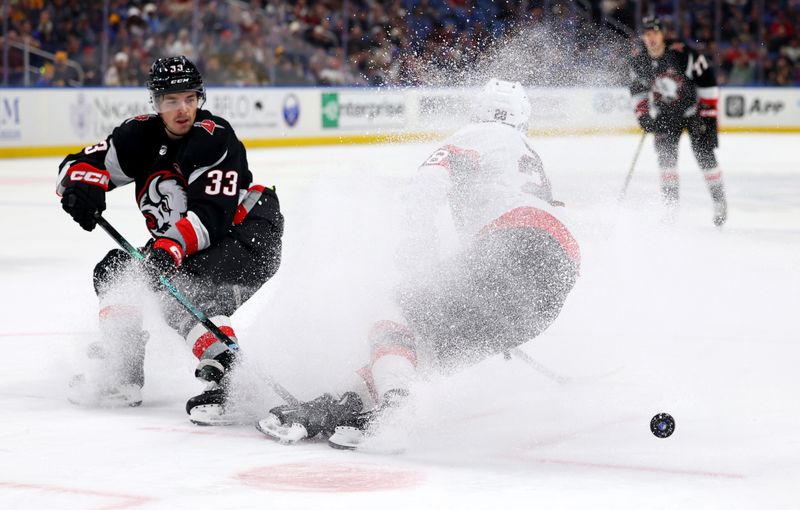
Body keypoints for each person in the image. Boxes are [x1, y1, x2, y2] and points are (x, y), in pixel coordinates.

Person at [257, 79, 580, 450]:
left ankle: (397, 410)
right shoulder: (524, 151)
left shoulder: (477, 132)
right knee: (420, 347)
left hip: (513, 244)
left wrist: (418, 244)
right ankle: (337, 406)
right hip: (557, 272)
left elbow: (427, 183)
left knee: (392, 306)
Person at [56, 56, 284, 425]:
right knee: (117, 270)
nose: (182, 109)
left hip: (249, 233)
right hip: (188, 245)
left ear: (200, 98)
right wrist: (81, 190)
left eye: (190, 98)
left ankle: (230, 378)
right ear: (156, 103)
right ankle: (123, 371)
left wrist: (168, 249)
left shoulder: (213, 138)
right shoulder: (138, 137)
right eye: (171, 101)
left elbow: (211, 216)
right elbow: (77, 166)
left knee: (178, 288)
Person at [630, 16, 728, 226]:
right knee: (666, 162)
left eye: (655, 32)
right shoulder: (640, 60)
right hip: (665, 116)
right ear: (643, 37)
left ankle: (719, 201)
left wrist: (708, 116)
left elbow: (707, 80)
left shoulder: (682, 53)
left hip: (693, 113)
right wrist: (644, 117)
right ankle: (670, 209)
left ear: (663, 34)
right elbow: (637, 92)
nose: (652, 38)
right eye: (647, 34)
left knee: (705, 157)